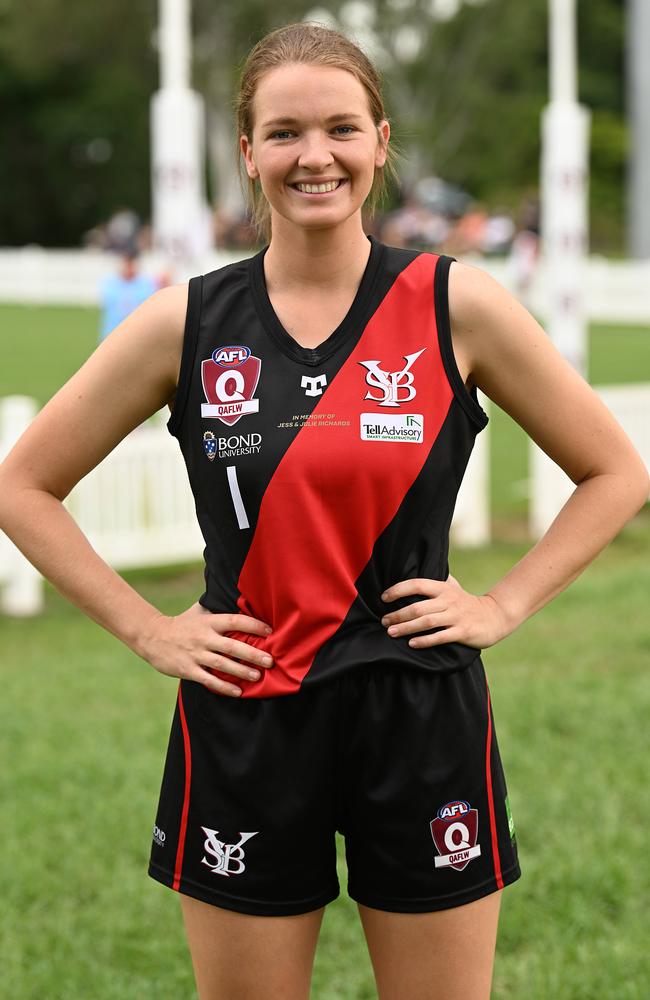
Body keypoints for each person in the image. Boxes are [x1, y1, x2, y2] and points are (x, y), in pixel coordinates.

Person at [0, 21, 647, 1000]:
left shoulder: (450, 305)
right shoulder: (190, 321)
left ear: (380, 142)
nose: (316, 156)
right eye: (286, 132)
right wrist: (145, 627)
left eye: (341, 129)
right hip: (246, 714)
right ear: (247, 151)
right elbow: (22, 483)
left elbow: (614, 471)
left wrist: (501, 605)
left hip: (418, 709)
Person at [98, 250, 159, 342]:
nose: (129, 267)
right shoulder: (110, 283)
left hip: (138, 335)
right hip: (112, 334)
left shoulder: (146, 285)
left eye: (131, 264)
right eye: (127, 263)